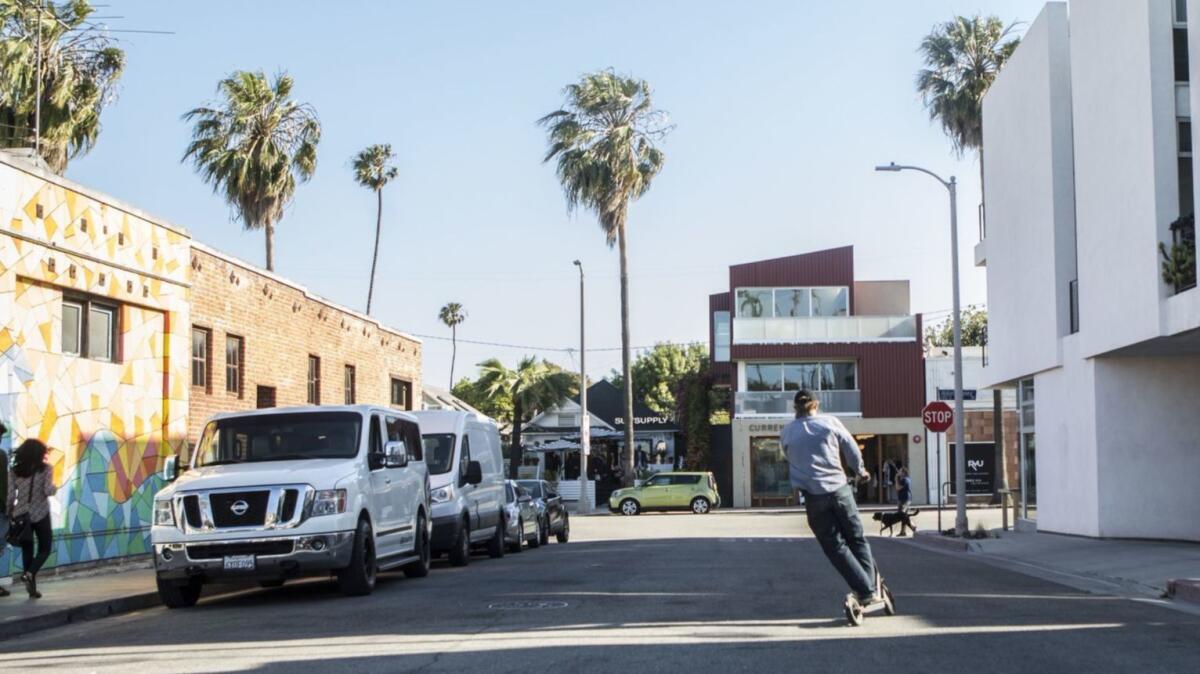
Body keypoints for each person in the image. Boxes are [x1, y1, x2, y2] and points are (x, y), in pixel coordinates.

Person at [781, 389, 878, 605]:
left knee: (835, 547)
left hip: (813, 498)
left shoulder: (786, 432)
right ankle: (868, 588)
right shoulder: (830, 422)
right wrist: (860, 470)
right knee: (856, 538)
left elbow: (788, 456)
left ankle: (865, 589)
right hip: (839, 490)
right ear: (816, 404)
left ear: (795, 408)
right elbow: (851, 448)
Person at [7, 439, 57, 599]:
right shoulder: (46, 469)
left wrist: (10, 512)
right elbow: (48, 491)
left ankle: (32, 587)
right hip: (41, 513)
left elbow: (10, 496)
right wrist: (55, 487)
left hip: (21, 515)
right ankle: (30, 573)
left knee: (27, 549)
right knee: (45, 548)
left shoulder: (15, 471)